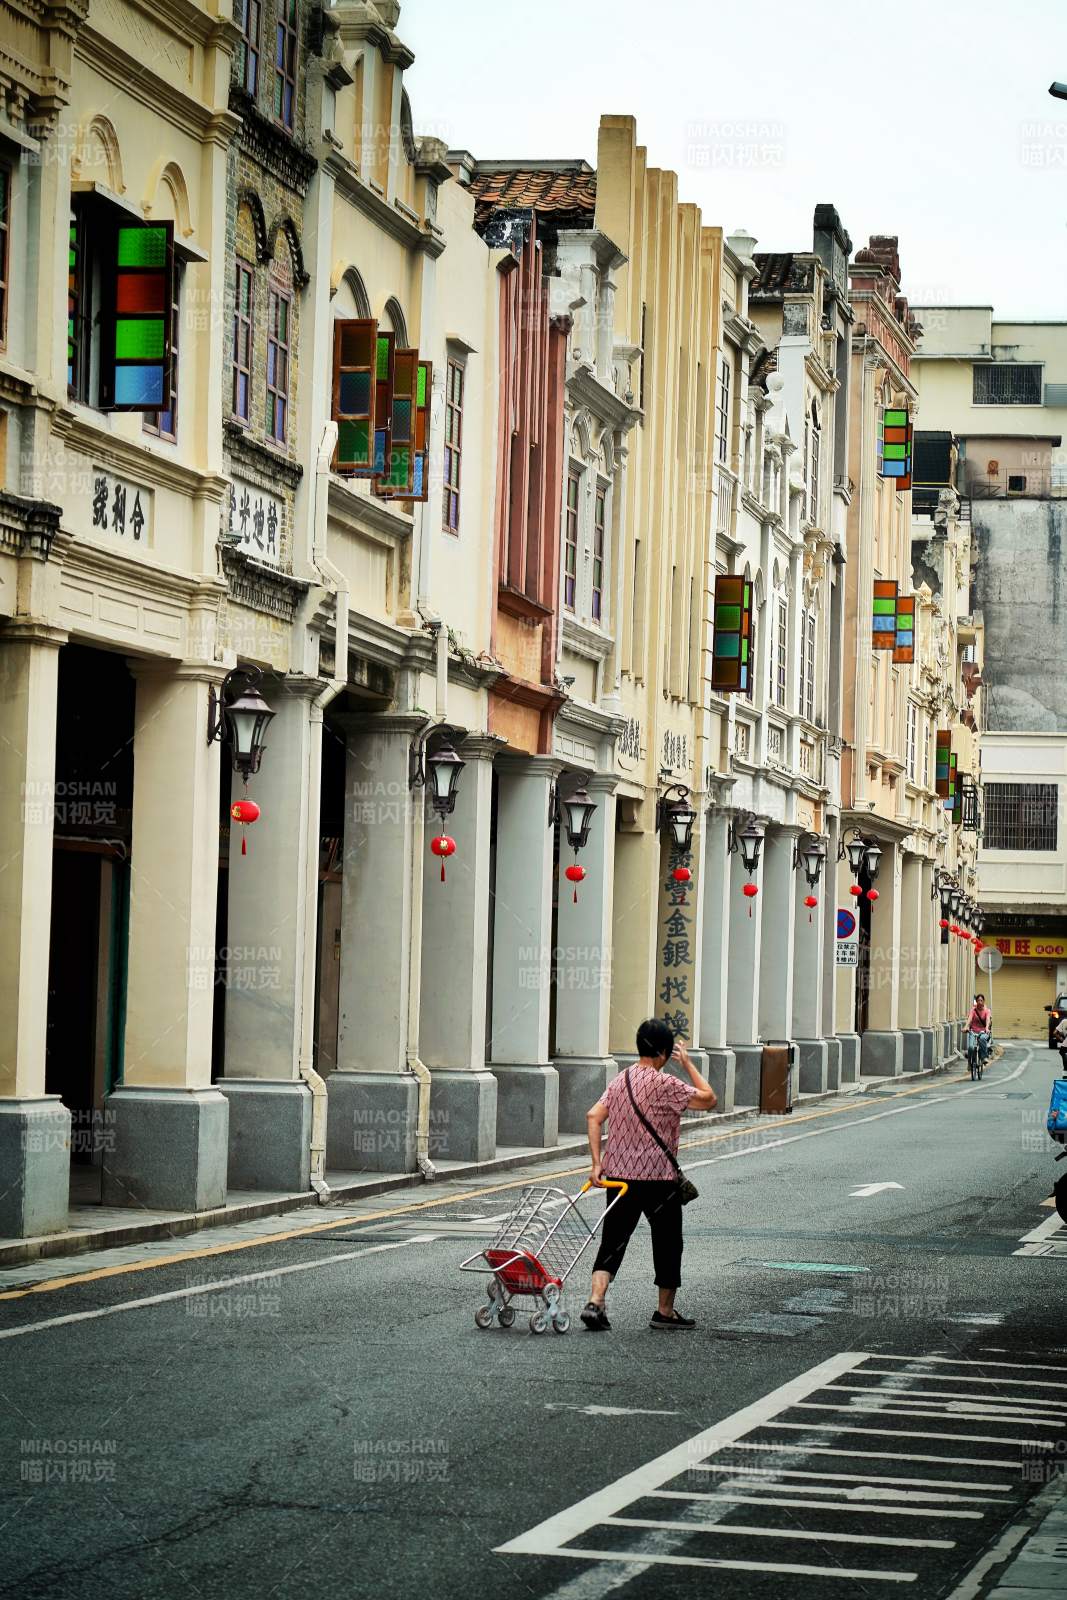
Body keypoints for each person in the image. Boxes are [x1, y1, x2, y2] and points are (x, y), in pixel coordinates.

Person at [580, 1018, 717, 1332]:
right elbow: (709, 1100)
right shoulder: (666, 1084)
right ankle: (665, 1312)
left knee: (613, 1242)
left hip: (620, 1179)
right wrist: (689, 1066)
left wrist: (596, 1163)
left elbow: (594, 1116)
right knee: (668, 1242)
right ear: (665, 1053)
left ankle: (595, 1301)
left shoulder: (621, 1080)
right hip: (658, 1180)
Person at [966, 995, 992, 1066]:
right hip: (973, 1031)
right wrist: (966, 1027)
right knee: (971, 1047)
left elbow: (988, 1020)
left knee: (982, 1039)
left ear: (983, 1001)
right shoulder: (973, 1010)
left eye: (981, 1000)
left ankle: (984, 1057)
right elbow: (970, 1019)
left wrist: (986, 1028)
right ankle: (969, 1063)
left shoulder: (987, 1011)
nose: (980, 1002)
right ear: (976, 1002)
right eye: (978, 1001)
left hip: (983, 1032)